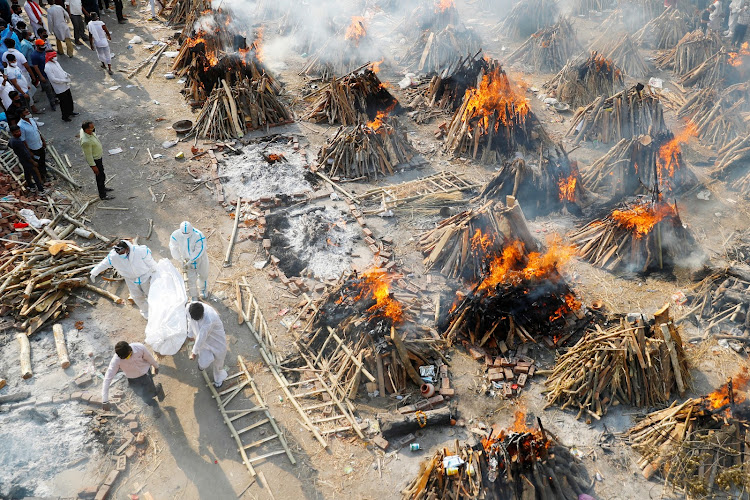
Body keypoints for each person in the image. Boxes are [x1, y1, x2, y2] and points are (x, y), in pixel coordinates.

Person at [91, 240, 157, 318]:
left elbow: (150, 262)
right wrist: (94, 272)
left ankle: (158, 309)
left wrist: (156, 270)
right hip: (130, 279)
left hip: (145, 276)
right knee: (137, 296)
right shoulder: (113, 256)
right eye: (119, 253)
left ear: (127, 249)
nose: (121, 254)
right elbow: (104, 264)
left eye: (122, 252)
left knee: (152, 293)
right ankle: (146, 311)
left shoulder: (140, 251)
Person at [101, 341, 162, 411]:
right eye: (125, 358)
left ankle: (156, 390)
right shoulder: (116, 360)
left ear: (130, 349)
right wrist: (105, 400)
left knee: (151, 389)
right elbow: (107, 379)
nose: (128, 358)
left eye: (129, 355)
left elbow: (149, 357)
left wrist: (156, 366)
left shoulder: (139, 347)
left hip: (146, 373)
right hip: (133, 379)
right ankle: (154, 405)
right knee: (143, 396)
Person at [186, 301, 228, 388]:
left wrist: (194, 352)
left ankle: (218, 378)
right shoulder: (189, 308)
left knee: (219, 360)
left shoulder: (209, 318)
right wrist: (190, 334)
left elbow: (202, 336)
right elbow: (190, 321)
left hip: (216, 340)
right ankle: (201, 366)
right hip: (202, 341)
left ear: (202, 314)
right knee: (204, 361)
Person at [169, 221, 209, 299]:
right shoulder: (175, 235)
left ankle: (203, 290)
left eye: (188, 233)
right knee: (191, 279)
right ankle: (194, 295)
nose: (186, 235)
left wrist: (191, 260)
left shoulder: (199, 235)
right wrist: (179, 259)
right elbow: (173, 247)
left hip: (200, 258)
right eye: (184, 234)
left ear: (192, 229)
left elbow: (199, 250)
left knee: (203, 275)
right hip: (186, 260)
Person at [80, 120, 114, 200]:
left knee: (102, 175)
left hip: (98, 157)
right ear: (86, 130)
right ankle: (102, 195)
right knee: (100, 177)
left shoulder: (86, 131)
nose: (93, 130)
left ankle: (103, 187)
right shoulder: (86, 141)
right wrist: (93, 166)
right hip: (96, 160)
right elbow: (88, 156)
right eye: (92, 129)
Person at [8, 123, 44, 192]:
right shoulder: (18, 142)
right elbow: (25, 154)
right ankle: (41, 190)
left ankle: (31, 186)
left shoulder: (12, 140)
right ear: (12, 133)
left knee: (27, 172)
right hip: (26, 160)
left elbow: (9, 145)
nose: (19, 133)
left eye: (19, 131)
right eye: (16, 132)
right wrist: (33, 162)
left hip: (21, 159)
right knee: (35, 173)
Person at [18, 107, 49, 182]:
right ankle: (41, 177)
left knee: (42, 160)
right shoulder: (21, 125)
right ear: (21, 115)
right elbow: (23, 140)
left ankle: (44, 173)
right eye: (26, 112)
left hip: (39, 144)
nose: (28, 113)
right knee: (37, 163)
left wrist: (43, 141)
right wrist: (29, 152)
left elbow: (38, 131)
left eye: (28, 111)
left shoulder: (32, 120)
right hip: (33, 148)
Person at [44, 51, 76, 120]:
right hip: (59, 88)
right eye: (53, 57)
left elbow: (61, 70)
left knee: (69, 99)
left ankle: (70, 111)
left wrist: (66, 74)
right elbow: (53, 79)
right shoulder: (47, 67)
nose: (55, 57)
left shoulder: (56, 62)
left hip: (65, 85)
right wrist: (64, 81)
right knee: (64, 102)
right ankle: (65, 116)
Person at [29, 39, 57, 111]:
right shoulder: (34, 55)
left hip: (50, 73)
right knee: (49, 91)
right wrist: (41, 76)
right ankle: (52, 104)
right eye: (42, 45)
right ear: (37, 46)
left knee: (54, 87)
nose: (43, 46)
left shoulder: (43, 51)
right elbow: (35, 67)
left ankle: (55, 99)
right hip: (44, 75)